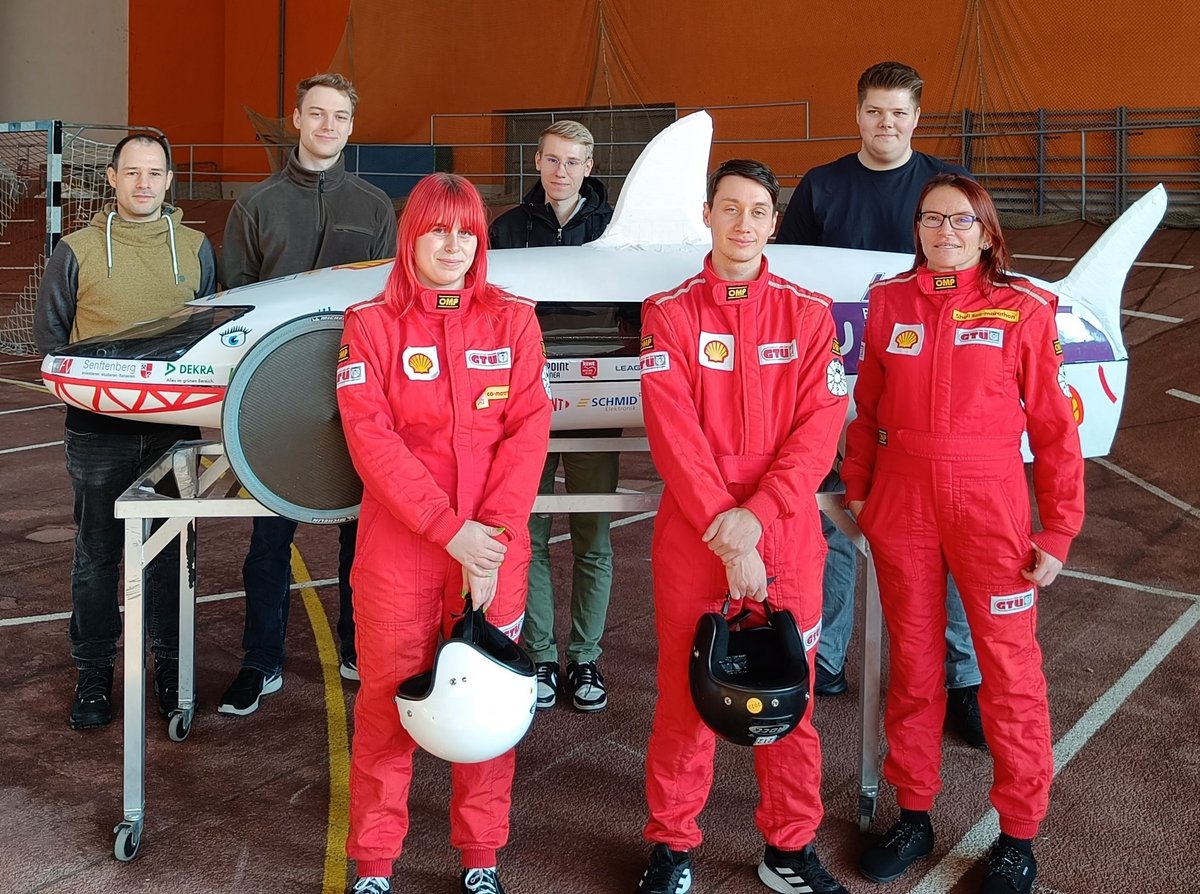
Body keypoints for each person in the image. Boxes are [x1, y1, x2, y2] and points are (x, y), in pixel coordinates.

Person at [842, 173, 1083, 894]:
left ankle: (1018, 837)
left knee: (1010, 676)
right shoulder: (888, 302)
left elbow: (1054, 428)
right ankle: (914, 812)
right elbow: (868, 405)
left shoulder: (1025, 308)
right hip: (904, 506)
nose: (945, 232)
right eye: (931, 219)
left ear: (986, 232)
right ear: (916, 230)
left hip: (992, 509)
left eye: (961, 220)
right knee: (913, 669)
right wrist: (858, 488)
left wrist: (1060, 527)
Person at [635, 159, 851, 894]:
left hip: (785, 533)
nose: (743, 223)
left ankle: (788, 847)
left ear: (774, 222)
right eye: (730, 208)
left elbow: (818, 436)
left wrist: (753, 522)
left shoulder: (808, 312)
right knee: (684, 699)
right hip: (696, 537)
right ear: (707, 215)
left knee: (793, 702)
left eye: (758, 210)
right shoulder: (668, 311)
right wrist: (728, 533)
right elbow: (673, 435)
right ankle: (672, 845)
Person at [336, 172, 551, 894]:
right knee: (387, 707)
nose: (454, 244)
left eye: (467, 230)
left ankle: (481, 856)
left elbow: (528, 434)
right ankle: (373, 863)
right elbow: (372, 441)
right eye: (438, 229)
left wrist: (486, 541)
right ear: (412, 236)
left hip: (495, 552)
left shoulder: (514, 320)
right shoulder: (369, 324)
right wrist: (448, 530)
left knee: (487, 708)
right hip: (401, 553)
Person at [776, 60, 986, 750]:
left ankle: (964, 679)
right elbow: (787, 282)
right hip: (832, 381)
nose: (885, 123)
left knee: (947, 534)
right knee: (833, 518)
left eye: (898, 112)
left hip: (927, 386)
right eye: (874, 111)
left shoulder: (945, 188)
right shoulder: (822, 186)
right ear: (858, 113)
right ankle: (826, 658)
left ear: (916, 118)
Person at [217, 72, 397, 715]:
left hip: (356, 398)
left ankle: (358, 648)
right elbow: (232, 307)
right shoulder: (255, 206)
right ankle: (259, 661)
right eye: (316, 114)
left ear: (351, 126)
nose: (327, 125)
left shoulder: (376, 207)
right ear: (296, 118)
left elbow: (388, 305)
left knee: (362, 538)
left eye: (340, 116)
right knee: (268, 541)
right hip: (274, 401)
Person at [33, 132, 217, 729]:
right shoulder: (77, 250)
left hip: (173, 435)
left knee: (171, 559)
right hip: (96, 434)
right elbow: (52, 343)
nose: (144, 183)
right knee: (97, 556)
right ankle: (92, 674)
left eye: (155, 173)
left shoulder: (195, 247)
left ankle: (169, 669)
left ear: (169, 180)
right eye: (132, 172)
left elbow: (213, 334)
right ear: (111, 179)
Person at [489, 120, 617, 712]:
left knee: (593, 535)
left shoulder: (616, 230)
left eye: (573, 161)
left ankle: (585, 660)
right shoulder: (509, 229)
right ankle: (541, 655)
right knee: (529, 532)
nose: (561, 171)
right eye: (551, 159)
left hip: (595, 401)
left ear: (589, 166)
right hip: (526, 406)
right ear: (536, 161)